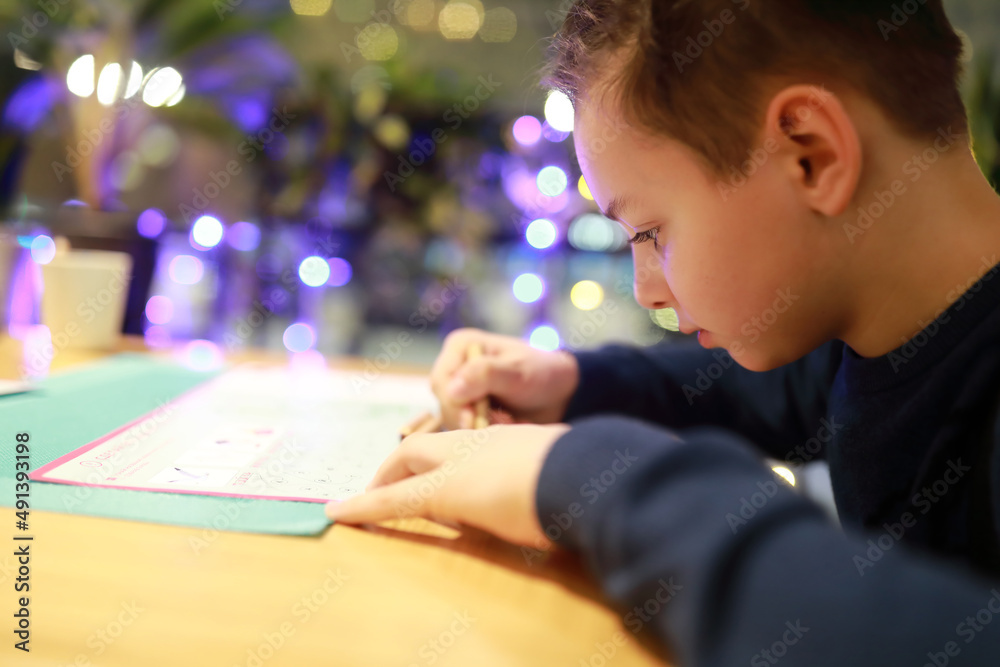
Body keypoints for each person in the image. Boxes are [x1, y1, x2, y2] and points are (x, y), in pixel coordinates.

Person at [326, 1, 1000, 664]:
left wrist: (587, 475)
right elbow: (782, 388)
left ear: (811, 155)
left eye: (649, 232)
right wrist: (578, 384)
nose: (647, 287)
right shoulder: (887, 333)